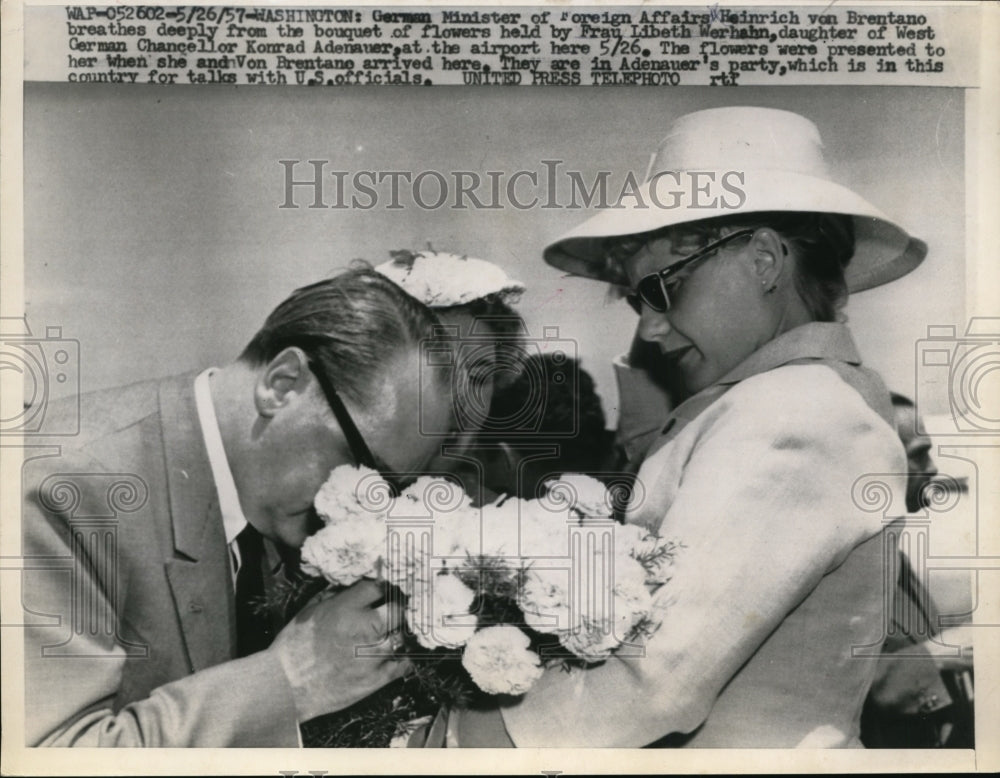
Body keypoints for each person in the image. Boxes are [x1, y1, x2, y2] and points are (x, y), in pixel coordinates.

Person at [451, 106, 923, 747]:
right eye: (636, 300)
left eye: (664, 289)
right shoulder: (783, 401)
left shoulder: (796, 414)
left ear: (762, 261)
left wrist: (444, 738)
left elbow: (653, 683)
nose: (648, 327)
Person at [21, 266, 456, 746]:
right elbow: (51, 756)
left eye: (390, 489)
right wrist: (290, 681)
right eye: (363, 465)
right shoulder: (60, 485)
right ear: (282, 384)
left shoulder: (274, 506)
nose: (364, 512)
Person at [861, 392, 975, 748]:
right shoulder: (844, 563)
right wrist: (937, 656)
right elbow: (828, 680)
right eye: (918, 454)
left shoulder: (886, 547)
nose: (934, 467)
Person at [375, 248, 526, 504]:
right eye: (438, 372)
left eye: (479, 377)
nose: (462, 400)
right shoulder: (307, 511)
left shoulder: (501, 522)